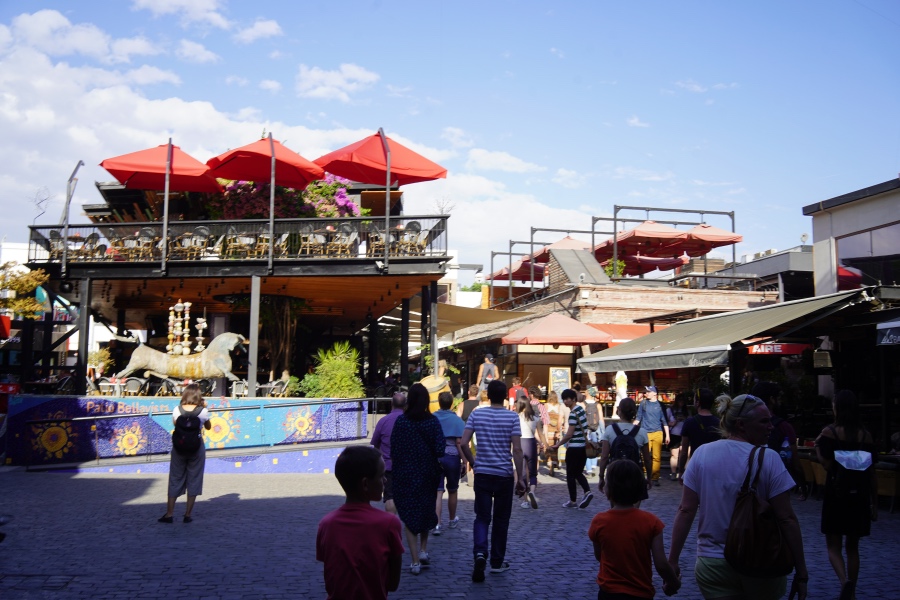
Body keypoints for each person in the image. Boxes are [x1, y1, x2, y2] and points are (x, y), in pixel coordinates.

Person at [668, 394, 809, 600]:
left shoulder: (702, 454)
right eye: (764, 421)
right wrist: (801, 572)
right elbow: (786, 518)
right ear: (741, 424)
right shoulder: (769, 458)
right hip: (761, 560)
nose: (771, 427)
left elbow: (686, 510)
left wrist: (673, 560)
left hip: (713, 563)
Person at [316, 445, 404, 600]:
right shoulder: (389, 524)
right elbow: (392, 584)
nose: (385, 480)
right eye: (381, 476)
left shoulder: (326, 524)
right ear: (365, 484)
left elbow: (331, 573)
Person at [460, 380, 525, 583]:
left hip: (483, 473)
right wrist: (521, 477)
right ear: (505, 396)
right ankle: (497, 562)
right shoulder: (512, 417)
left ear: (488, 395)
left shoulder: (477, 414)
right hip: (504, 474)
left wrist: (473, 463)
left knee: (482, 517)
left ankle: (480, 553)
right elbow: (517, 449)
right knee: (501, 520)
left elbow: (463, 442)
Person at [815, 390, 878, 600]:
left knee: (833, 546)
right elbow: (871, 472)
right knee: (853, 547)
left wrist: (817, 449)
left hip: (837, 494)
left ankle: (844, 582)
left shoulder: (829, 433)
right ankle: (853, 589)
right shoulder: (866, 435)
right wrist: (874, 503)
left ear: (837, 408)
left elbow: (827, 465)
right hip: (859, 496)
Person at [589, 459, 681, 599]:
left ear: (608, 489)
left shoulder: (599, 521)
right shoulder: (652, 522)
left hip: (608, 591)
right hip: (640, 591)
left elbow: (600, 556)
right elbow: (661, 564)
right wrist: (674, 583)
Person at [390, 383, 446, 575]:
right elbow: (440, 449)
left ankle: (414, 561)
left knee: (409, 514)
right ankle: (423, 550)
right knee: (425, 510)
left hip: (405, 474)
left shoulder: (402, 422)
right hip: (428, 473)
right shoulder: (432, 422)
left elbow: (394, 448)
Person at [158, 383, 212, 524]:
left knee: (175, 478)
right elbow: (208, 427)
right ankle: (187, 515)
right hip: (197, 448)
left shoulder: (177, 410)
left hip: (179, 447)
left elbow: (176, 424)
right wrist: (204, 408)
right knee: (194, 478)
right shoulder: (203, 412)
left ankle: (169, 514)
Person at [753, 381, 805, 499]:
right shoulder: (783, 426)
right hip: (776, 482)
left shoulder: (744, 424)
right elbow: (794, 460)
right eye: (779, 398)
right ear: (772, 399)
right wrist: (802, 483)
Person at [596, 397, 652, 505]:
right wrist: (649, 477)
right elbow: (647, 459)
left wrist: (601, 477)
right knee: (634, 508)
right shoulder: (642, 432)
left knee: (615, 507)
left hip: (615, 473)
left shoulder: (609, 430)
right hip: (635, 473)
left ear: (619, 410)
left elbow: (604, 457)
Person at [550, 388, 594, 509]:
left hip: (574, 448)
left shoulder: (573, 414)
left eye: (567, 399)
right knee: (578, 472)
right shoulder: (581, 410)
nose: (565, 401)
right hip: (583, 447)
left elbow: (569, 434)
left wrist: (558, 444)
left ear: (573, 399)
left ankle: (573, 500)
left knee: (570, 474)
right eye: (564, 399)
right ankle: (587, 491)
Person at [433, 391, 466, 535]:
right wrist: (465, 460)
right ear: (452, 403)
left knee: (438, 491)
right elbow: (460, 442)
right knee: (452, 490)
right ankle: (452, 520)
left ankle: (437, 524)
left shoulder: (432, 418)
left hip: (436, 457)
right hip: (452, 457)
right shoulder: (457, 421)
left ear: (439, 403)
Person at [371, 391, 407, 515]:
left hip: (388, 466)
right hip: (407, 466)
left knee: (390, 496)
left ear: (391, 403)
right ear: (405, 405)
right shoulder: (410, 422)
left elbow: (375, 443)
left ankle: (391, 522)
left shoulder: (383, 421)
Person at [675, 389, 722, 481]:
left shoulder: (689, 422)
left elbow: (684, 451)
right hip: (714, 465)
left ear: (697, 403)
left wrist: (680, 471)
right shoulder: (719, 423)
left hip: (696, 465)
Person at [516, 393, 546, 509]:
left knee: (523, 473)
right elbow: (540, 433)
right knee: (533, 472)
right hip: (531, 444)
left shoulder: (516, 417)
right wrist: (544, 444)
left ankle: (525, 500)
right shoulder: (535, 418)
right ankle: (532, 491)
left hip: (520, 444)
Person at [634, 386, 669, 486]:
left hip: (658, 432)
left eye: (649, 392)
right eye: (646, 392)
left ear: (655, 393)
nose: (646, 393)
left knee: (657, 457)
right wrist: (631, 428)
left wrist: (667, 435)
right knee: (645, 455)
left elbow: (664, 421)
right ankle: (646, 474)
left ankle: (655, 478)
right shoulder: (643, 403)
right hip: (645, 432)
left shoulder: (660, 405)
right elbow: (638, 418)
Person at [666, 393, 689, 481]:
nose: (681, 402)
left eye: (683, 400)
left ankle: (684, 472)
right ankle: (673, 472)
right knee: (674, 454)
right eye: (679, 400)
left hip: (685, 434)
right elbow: (665, 422)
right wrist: (673, 423)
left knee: (685, 453)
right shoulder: (670, 410)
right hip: (674, 433)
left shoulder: (687, 411)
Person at [544, 390, 567, 476]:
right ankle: (554, 462)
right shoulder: (559, 406)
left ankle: (550, 463)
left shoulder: (546, 405)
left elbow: (544, 418)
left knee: (548, 447)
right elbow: (561, 419)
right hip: (556, 430)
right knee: (555, 447)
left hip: (548, 429)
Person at [584, 387, 605, 477]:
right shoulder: (598, 405)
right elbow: (601, 419)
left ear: (588, 393)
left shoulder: (583, 404)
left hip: (586, 429)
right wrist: (603, 432)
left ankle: (589, 469)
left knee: (587, 448)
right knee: (595, 447)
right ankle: (593, 466)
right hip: (595, 429)